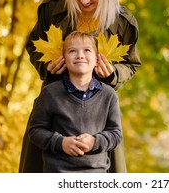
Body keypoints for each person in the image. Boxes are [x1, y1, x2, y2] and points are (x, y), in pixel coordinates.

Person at [19, 0, 141, 173]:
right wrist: (45, 68)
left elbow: (131, 64)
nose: (84, 0)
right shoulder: (52, 10)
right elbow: (34, 46)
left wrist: (112, 74)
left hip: (98, 113)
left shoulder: (122, 22)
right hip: (54, 106)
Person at [28, 31, 122, 172]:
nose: (80, 55)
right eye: (72, 51)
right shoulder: (50, 93)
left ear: (97, 59)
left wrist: (94, 142)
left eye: (87, 50)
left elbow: (115, 134)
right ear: (64, 59)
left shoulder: (109, 95)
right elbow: (35, 130)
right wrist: (61, 142)